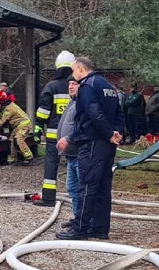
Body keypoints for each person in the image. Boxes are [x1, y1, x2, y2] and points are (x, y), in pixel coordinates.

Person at [57, 56, 123, 241]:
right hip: (107, 145)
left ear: (80, 68)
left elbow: (93, 113)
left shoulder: (87, 86)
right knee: (103, 187)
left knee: (86, 186)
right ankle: (100, 228)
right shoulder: (108, 87)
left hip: (92, 142)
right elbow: (119, 113)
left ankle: (80, 228)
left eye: (73, 70)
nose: (72, 74)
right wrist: (117, 133)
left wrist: (109, 133)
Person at [34, 50, 75, 206]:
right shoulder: (77, 86)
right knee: (75, 166)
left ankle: (49, 198)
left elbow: (44, 111)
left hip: (53, 136)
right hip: (74, 136)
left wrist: (38, 127)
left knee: (51, 165)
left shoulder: (51, 86)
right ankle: (78, 199)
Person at [55, 77, 82, 229]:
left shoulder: (81, 103)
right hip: (71, 155)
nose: (71, 87)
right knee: (72, 188)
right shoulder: (72, 102)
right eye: (69, 84)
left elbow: (81, 128)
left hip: (79, 154)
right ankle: (77, 217)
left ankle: (83, 221)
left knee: (81, 188)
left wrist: (69, 139)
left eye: (74, 84)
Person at [0, 99, 34, 164]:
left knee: (18, 139)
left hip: (24, 125)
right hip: (19, 126)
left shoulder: (8, 109)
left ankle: (29, 157)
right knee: (12, 141)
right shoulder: (10, 106)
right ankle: (13, 158)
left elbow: (2, 122)